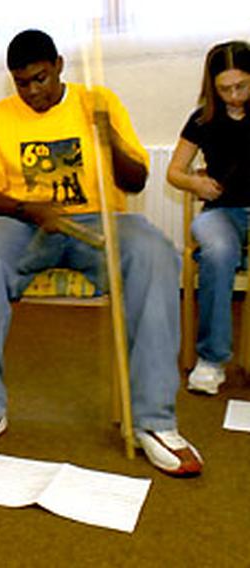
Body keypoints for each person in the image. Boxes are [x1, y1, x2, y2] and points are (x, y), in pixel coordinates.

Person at [0, 29, 203, 478]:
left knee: (155, 253)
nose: (32, 91)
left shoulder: (99, 101)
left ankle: (153, 421)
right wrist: (29, 208)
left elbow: (135, 181)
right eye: (22, 82)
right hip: (25, 223)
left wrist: (106, 136)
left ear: (58, 65)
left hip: (98, 221)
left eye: (40, 78)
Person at [167, 41, 250, 396]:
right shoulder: (202, 119)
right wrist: (195, 181)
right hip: (221, 212)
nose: (234, 95)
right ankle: (211, 360)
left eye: (242, 86)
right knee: (217, 252)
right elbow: (174, 172)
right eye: (224, 88)